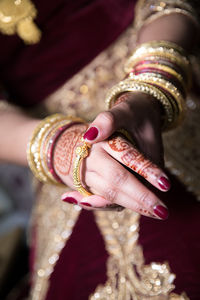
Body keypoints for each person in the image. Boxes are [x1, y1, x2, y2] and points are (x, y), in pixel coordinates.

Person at [0, 0, 200, 299]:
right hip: (42, 139)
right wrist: (60, 148)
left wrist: (150, 87)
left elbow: (164, 3)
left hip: (161, 63)